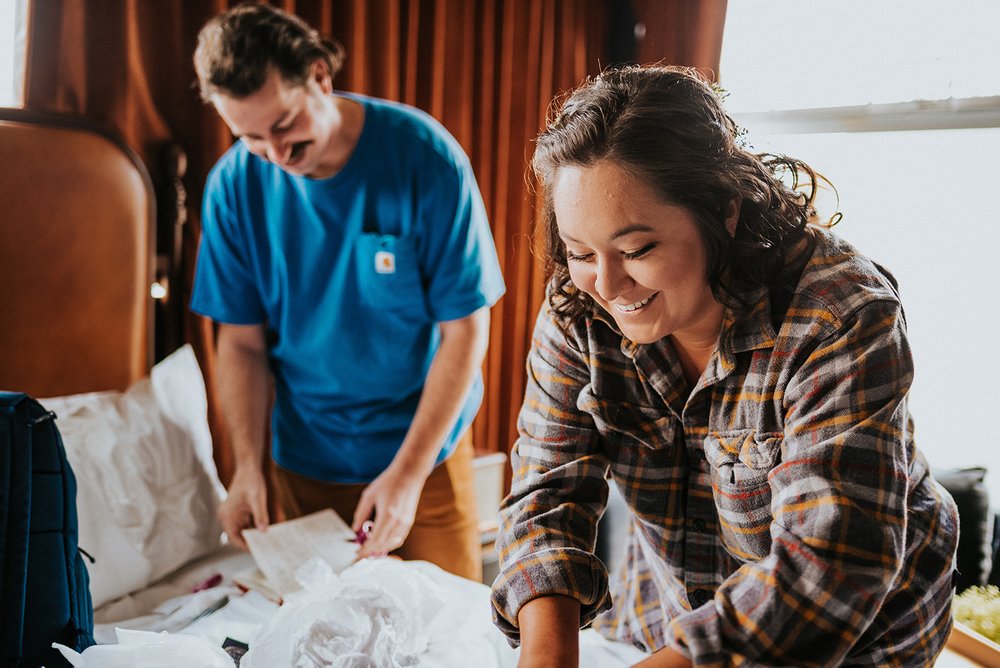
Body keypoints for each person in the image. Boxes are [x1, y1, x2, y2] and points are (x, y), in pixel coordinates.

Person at [490, 64, 958, 666]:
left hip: (854, 634)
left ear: (724, 212)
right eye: (581, 253)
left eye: (637, 249)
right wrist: (545, 657)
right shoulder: (580, 308)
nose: (606, 284)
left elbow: (831, 562)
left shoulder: (838, 313)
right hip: (673, 613)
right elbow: (546, 492)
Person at [190, 3, 504, 581]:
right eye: (251, 137)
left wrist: (408, 475)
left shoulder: (426, 160)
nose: (277, 155)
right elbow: (241, 346)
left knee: (452, 632)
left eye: (284, 125)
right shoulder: (233, 188)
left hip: (425, 455)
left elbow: (465, 330)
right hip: (306, 463)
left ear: (318, 76)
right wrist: (247, 470)